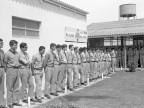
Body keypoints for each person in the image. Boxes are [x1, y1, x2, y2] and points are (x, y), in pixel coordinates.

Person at [4, 40, 22, 108]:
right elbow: (5, 63)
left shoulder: (17, 53)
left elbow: (19, 61)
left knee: (16, 87)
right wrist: (7, 71)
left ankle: (15, 102)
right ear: (11, 45)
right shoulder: (7, 53)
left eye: (16, 45)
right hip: (10, 70)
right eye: (15, 45)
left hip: (17, 70)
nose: (16, 46)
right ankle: (9, 103)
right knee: (9, 88)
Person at [0, 38, 6, 108]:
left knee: (2, 87)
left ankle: (1, 103)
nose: (2, 44)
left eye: (2, 43)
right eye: (1, 43)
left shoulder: (2, 51)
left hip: (1, 68)